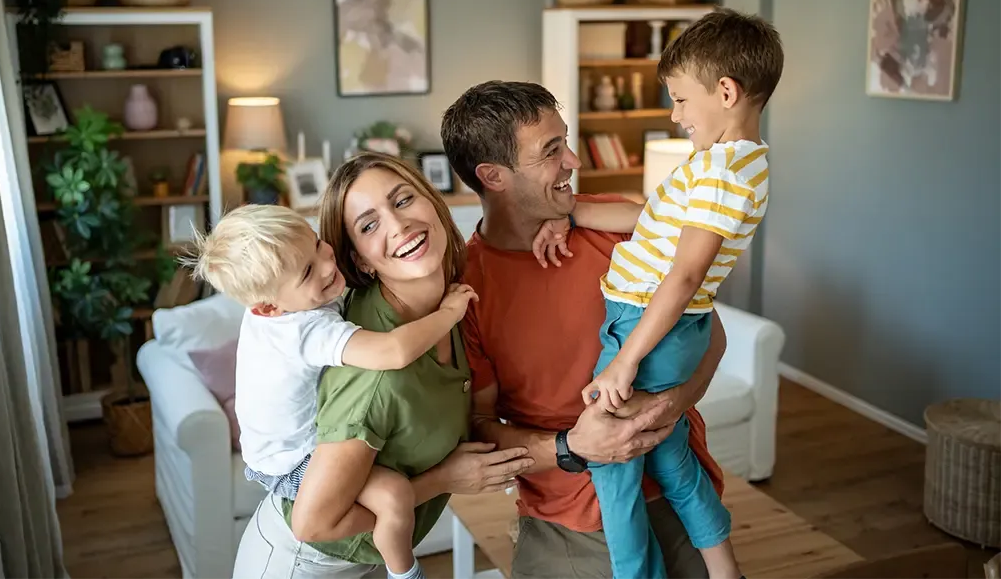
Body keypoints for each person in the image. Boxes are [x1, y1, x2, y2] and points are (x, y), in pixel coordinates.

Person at [530, 8, 783, 579]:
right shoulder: (733, 162)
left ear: (725, 91)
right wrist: (567, 214)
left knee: (612, 465)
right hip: (668, 326)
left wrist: (624, 361)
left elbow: (686, 275)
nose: (675, 115)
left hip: (650, 325)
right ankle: (725, 570)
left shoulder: (720, 171)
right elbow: (646, 216)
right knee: (669, 458)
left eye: (679, 99)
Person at [441, 80, 728, 579]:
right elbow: (479, 429)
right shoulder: (465, 293)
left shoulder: (613, 225)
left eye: (566, 141)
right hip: (566, 521)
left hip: (676, 496)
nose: (573, 161)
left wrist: (671, 405)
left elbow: (711, 333)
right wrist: (573, 447)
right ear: (494, 176)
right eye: (552, 151)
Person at [227, 153, 534, 578]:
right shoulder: (370, 371)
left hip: (355, 559)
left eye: (404, 200)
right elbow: (312, 522)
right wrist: (445, 478)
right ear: (362, 261)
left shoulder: (443, 296)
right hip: (298, 564)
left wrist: (557, 219)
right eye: (369, 225)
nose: (398, 225)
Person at [188, 203, 479, 579]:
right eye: (308, 271)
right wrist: (449, 314)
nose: (328, 264)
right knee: (393, 498)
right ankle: (404, 573)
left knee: (392, 497)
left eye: (318, 243)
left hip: (269, 458)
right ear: (268, 308)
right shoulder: (302, 330)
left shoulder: (289, 303)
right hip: (289, 467)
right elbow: (394, 351)